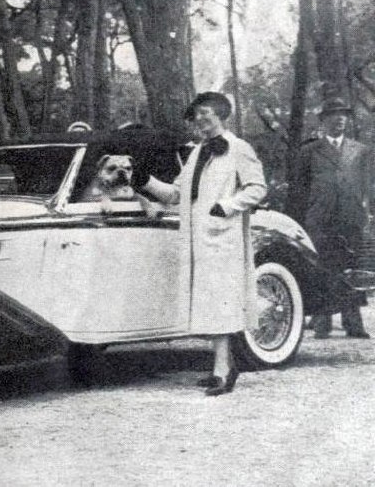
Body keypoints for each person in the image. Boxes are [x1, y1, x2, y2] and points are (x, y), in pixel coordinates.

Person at [134, 92, 267, 396]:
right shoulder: (196, 153)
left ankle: (224, 370)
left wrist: (228, 205)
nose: (200, 120)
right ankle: (222, 366)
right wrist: (145, 180)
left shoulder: (238, 149)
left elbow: (258, 188)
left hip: (222, 239)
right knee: (207, 304)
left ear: (222, 114)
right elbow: (175, 195)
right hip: (197, 241)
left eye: (206, 113)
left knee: (220, 302)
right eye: (196, 115)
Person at [295, 97, 371, 339]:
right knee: (323, 266)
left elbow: (369, 185)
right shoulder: (309, 150)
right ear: (323, 120)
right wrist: (299, 219)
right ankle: (322, 322)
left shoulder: (360, 150)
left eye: (343, 114)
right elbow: (299, 189)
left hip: (351, 217)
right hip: (319, 218)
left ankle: (353, 323)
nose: (339, 118)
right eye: (334, 114)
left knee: (351, 268)